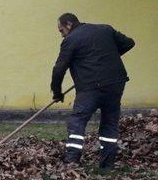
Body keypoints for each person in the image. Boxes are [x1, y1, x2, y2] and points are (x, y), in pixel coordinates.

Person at [51, 13, 135, 168]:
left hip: (90, 87)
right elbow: (129, 43)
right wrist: (107, 56)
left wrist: (57, 92)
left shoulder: (71, 40)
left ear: (69, 24)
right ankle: (107, 164)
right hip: (115, 83)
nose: (62, 35)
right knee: (110, 122)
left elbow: (59, 69)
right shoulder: (105, 29)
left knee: (78, 121)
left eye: (61, 31)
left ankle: (71, 160)